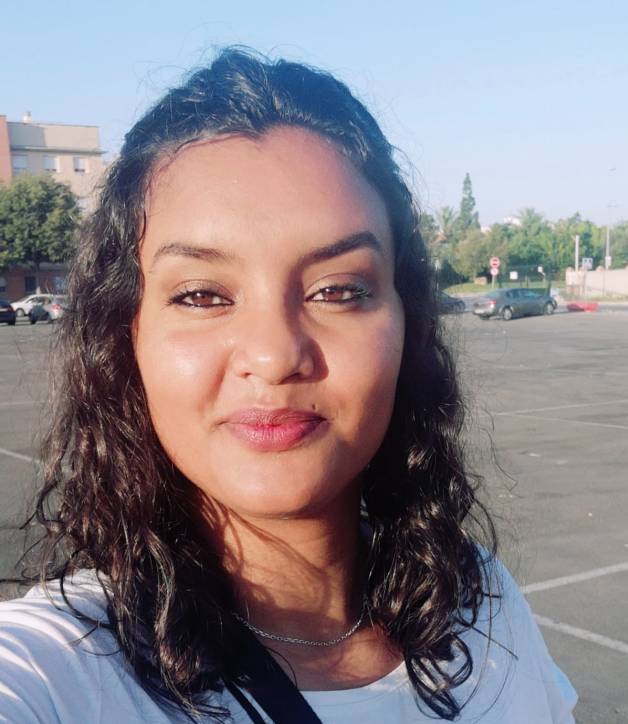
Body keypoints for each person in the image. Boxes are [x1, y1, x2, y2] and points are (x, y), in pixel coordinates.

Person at [0, 48, 576, 723]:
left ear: (407, 321)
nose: (274, 356)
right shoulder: (59, 671)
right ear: (127, 337)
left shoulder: (478, 601)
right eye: (202, 295)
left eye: (338, 290)